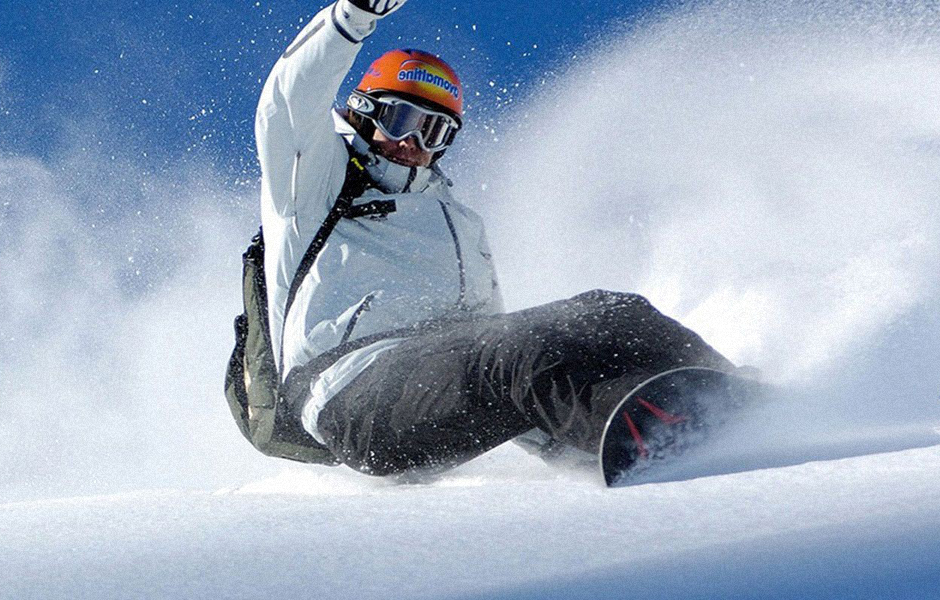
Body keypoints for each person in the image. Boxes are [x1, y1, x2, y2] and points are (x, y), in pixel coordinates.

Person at [248, 0, 736, 477]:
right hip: (349, 393)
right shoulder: (315, 183)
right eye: (401, 121)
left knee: (613, 313)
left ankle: (734, 397)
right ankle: (646, 441)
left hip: (438, 379)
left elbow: (490, 347)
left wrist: (562, 453)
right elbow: (287, 104)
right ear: (365, 112)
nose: (414, 143)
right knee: (517, 352)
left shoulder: (459, 225)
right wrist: (352, 17)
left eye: (434, 131)